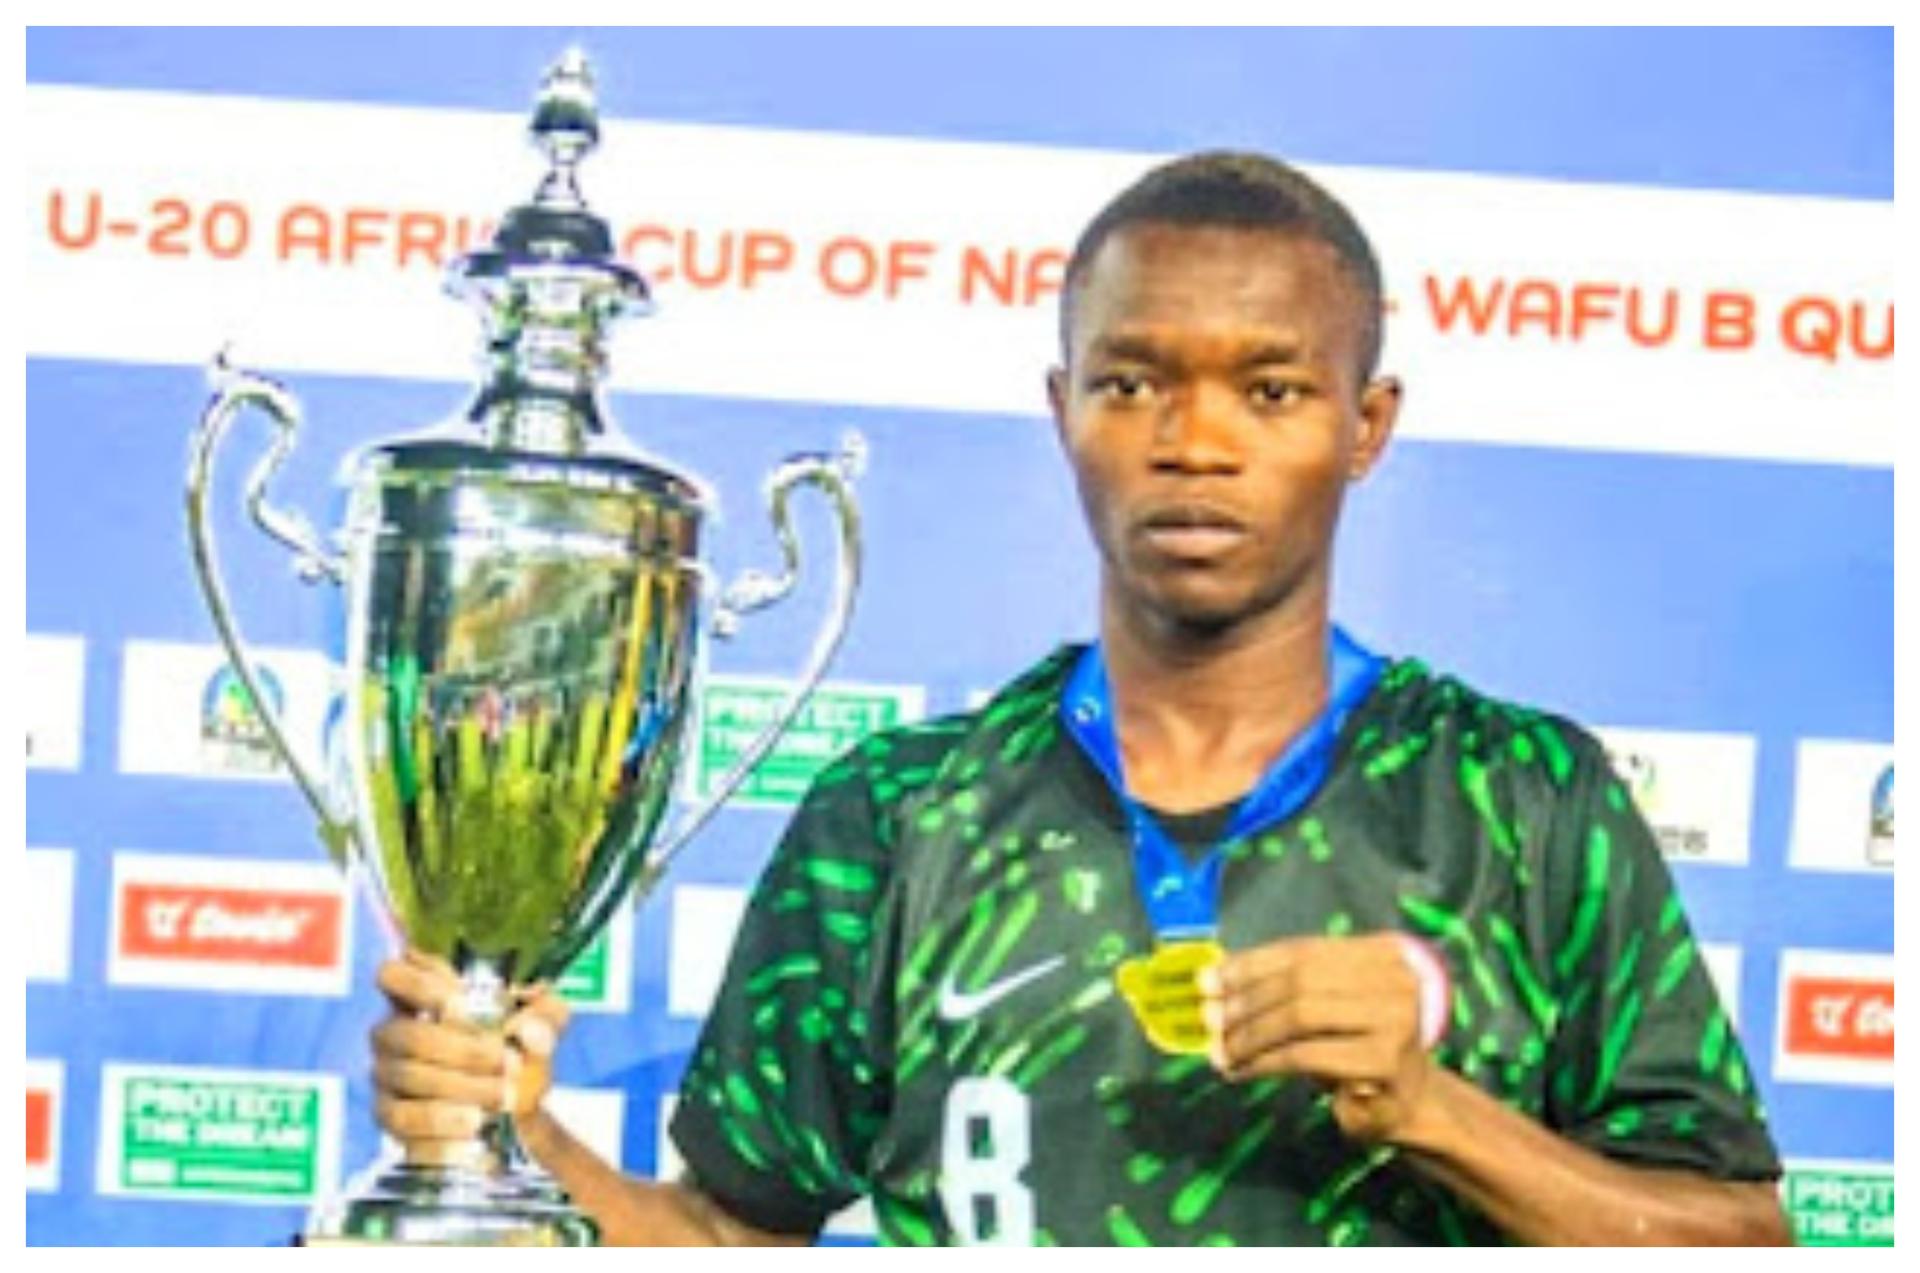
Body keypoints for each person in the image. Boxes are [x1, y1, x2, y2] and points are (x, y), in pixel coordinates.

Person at [371, 151, 1791, 1246]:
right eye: (1131, 383)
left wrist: (1431, 1109)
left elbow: (1745, 1243)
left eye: (1272, 391)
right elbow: (731, 1234)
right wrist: (510, 1136)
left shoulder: (1527, 802)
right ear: (1064, 410)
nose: (1194, 442)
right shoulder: (895, 815)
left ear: (1366, 426)